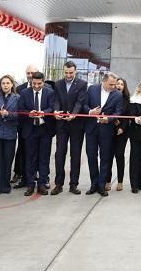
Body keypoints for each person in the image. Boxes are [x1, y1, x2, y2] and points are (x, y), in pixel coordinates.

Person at [77, 72, 124, 196]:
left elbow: (118, 112)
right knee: (91, 156)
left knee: (105, 158)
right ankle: (94, 184)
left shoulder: (118, 95)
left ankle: (101, 185)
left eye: (114, 84)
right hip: (91, 129)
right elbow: (84, 105)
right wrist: (90, 112)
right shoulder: (92, 89)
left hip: (107, 130)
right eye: (110, 84)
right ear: (103, 81)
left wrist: (108, 119)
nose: (113, 87)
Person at [52, 61, 88, 195]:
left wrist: (74, 114)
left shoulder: (82, 84)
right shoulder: (58, 84)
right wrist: (56, 111)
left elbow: (80, 102)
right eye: (66, 72)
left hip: (76, 124)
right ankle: (58, 184)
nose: (68, 75)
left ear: (75, 71)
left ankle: (73, 184)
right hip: (61, 124)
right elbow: (56, 100)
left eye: (71, 73)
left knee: (75, 154)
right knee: (59, 153)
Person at [18, 71, 56, 196]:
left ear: (43, 82)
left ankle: (42, 184)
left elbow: (52, 107)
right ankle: (30, 184)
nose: (36, 86)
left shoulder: (50, 92)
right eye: (34, 83)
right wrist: (28, 114)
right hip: (30, 129)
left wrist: (44, 113)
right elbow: (20, 109)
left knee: (44, 158)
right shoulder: (24, 93)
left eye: (39, 84)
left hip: (45, 129)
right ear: (31, 82)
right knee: (30, 158)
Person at [13, 64, 39, 187]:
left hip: (40, 126)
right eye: (28, 73)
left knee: (38, 152)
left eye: (32, 73)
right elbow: (18, 107)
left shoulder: (47, 87)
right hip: (25, 126)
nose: (30, 75)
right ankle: (20, 173)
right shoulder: (20, 89)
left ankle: (36, 173)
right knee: (22, 151)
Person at [106, 77, 130, 192]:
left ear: (124, 87)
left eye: (121, 84)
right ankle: (108, 181)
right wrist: (114, 120)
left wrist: (121, 128)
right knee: (108, 156)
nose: (119, 86)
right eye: (117, 84)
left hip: (122, 132)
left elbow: (127, 117)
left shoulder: (127, 100)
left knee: (119, 156)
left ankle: (120, 181)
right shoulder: (110, 97)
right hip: (110, 129)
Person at [126, 79, 141, 194]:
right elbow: (130, 115)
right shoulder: (133, 100)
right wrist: (136, 119)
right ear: (139, 90)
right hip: (136, 134)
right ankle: (134, 185)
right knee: (135, 159)